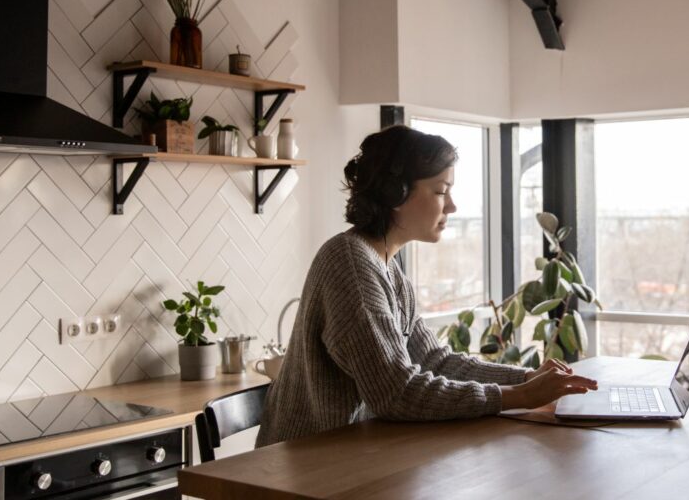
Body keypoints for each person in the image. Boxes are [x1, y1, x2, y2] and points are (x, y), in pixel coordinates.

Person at [256, 125, 598, 447]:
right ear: (395, 193)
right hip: (301, 469)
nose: (452, 206)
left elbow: (434, 361)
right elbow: (396, 393)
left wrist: (526, 379)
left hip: (352, 454)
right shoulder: (351, 265)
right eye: (441, 191)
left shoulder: (386, 267)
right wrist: (517, 397)